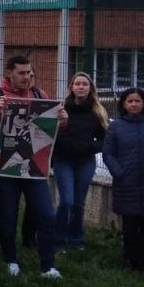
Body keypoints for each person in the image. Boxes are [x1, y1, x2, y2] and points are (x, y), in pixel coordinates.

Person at [0, 54, 66, 279]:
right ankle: (11, 261)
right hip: (4, 167)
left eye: (29, 72)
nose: (27, 77)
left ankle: (48, 266)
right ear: (9, 73)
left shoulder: (39, 95)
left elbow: (51, 130)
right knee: (8, 215)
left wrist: (63, 121)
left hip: (34, 166)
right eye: (22, 73)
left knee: (46, 214)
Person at [102, 87, 144, 271]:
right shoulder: (116, 126)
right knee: (129, 226)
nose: (134, 104)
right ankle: (129, 260)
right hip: (126, 184)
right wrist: (119, 173)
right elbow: (108, 154)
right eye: (130, 101)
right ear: (124, 104)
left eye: (137, 101)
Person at [51, 72, 108, 251]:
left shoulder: (97, 112)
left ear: (90, 88)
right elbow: (50, 134)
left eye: (85, 84)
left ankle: (76, 239)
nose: (81, 87)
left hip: (85, 161)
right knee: (66, 201)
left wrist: (91, 147)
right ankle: (58, 240)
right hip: (63, 160)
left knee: (78, 204)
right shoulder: (61, 110)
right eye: (78, 84)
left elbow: (105, 139)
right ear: (72, 87)